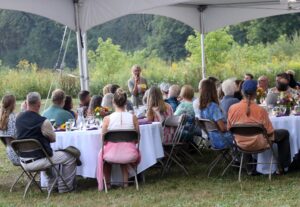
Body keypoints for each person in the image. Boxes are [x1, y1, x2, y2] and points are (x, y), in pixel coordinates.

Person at [16, 92, 77, 193]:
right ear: (39, 104)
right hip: (39, 159)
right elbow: (53, 138)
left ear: (26, 103)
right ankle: (64, 188)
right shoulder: (43, 121)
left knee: (46, 155)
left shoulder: (18, 119)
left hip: (23, 160)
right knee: (70, 157)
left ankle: (51, 186)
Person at [228, 80, 291, 174]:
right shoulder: (260, 110)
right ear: (255, 93)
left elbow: (229, 128)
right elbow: (269, 131)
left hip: (240, 143)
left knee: (245, 135)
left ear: (242, 92)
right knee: (285, 133)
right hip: (259, 143)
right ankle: (282, 167)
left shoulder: (232, 108)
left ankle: (249, 169)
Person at [96, 89, 140, 191]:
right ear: (126, 102)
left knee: (104, 154)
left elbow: (103, 139)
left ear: (113, 102)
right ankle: (125, 183)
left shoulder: (107, 119)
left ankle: (108, 184)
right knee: (124, 148)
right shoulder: (133, 118)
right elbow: (137, 138)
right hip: (130, 154)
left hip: (111, 155)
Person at [199, 79, 233, 149]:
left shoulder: (202, 107)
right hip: (222, 140)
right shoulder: (213, 107)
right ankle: (240, 159)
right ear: (213, 91)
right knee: (242, 136)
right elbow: (223, 128)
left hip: (212, 140)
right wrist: (232, 127)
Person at [0, 94, 19, 165]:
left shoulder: (1, 119)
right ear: (13, 104)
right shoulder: (13, 118)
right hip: (21, 156)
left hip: (11, 155)